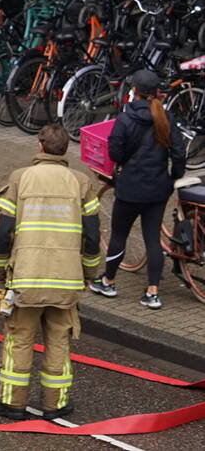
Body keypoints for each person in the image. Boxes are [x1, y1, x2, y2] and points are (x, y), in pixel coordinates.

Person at [0, 123, 101, 420]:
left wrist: (0, 269)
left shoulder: (19, 178)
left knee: (19, 338)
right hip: (66, 280)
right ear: (66, 149)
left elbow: (3, 233)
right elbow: (92, 235)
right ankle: (55, 404)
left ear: (39, 146)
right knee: (59, 340)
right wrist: (90, 273)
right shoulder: (81, 182)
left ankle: (13, 404)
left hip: (26, 279)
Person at [89, 69, 186, 309]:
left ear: (134, 91)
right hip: (157, 189)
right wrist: (174, 177)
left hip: (130, 188)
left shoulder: (125, 119)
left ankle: (108, 281)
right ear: (156, 93)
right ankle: (153, 292)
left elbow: (115, 153)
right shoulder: (166, 117)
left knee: (119, 236)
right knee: (152, 238)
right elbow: (179, 152)